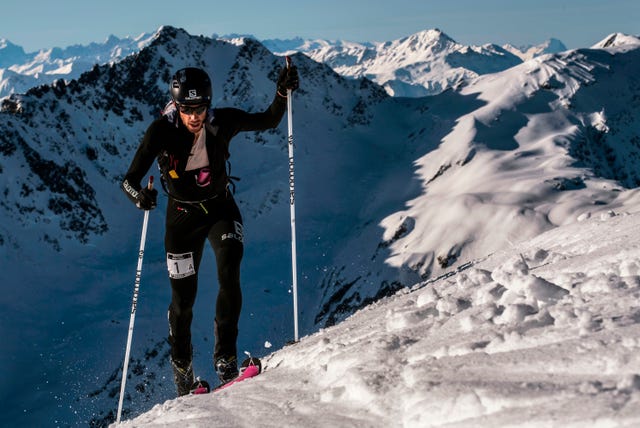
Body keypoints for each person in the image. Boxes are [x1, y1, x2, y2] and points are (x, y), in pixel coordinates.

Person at [121, 63, 299, 396]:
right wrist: (140, 197)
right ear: (177, 106)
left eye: (200, 107)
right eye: (187, 109)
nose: (194, 116)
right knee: (183, 301)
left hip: (220, 207)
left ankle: (225, 359)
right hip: (181, 220)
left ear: (208, 103)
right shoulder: (161, 131)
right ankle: (182, 369)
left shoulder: (223, 121)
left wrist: (281, 91)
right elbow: (129, 181)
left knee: (230, 268)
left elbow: (269, 119)